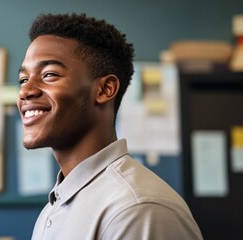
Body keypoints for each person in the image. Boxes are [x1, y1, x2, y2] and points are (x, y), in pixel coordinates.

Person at [17, 13, 203, 240]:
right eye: (23, 79)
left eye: (49, 75)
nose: (26, 91)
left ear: (105, 90)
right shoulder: (53, 208)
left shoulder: (137, 209)